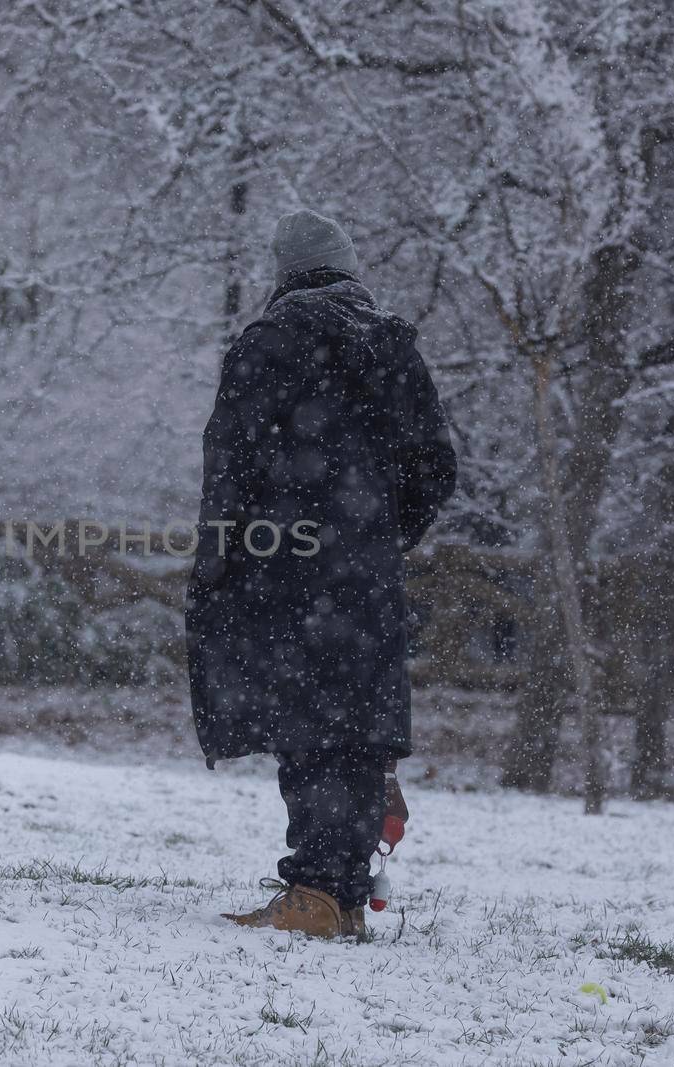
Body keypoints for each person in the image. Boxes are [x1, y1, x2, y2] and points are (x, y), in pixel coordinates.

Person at [185, 210, 456, 940]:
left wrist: (221, 562)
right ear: (350, 271)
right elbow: (437, 468)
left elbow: (229, 466)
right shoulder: (394, 347)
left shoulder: (266, 346)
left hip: (283, 568)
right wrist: (380, 535)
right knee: (357, 729)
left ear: (286, 275)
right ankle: (334, 890)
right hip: (364, 575)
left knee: (306, 726)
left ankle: (316, 896)